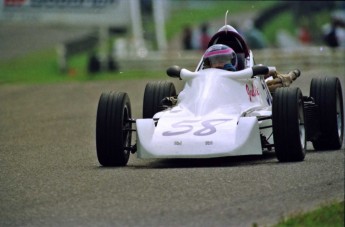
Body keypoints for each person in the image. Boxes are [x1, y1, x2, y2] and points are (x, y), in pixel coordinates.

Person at [203, 44, 299, 92]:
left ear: (232, 62)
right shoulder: (203, 83)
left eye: (223, 60)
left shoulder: (244, 80)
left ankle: (288, 77)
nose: (219, 64)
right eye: (215, 61)